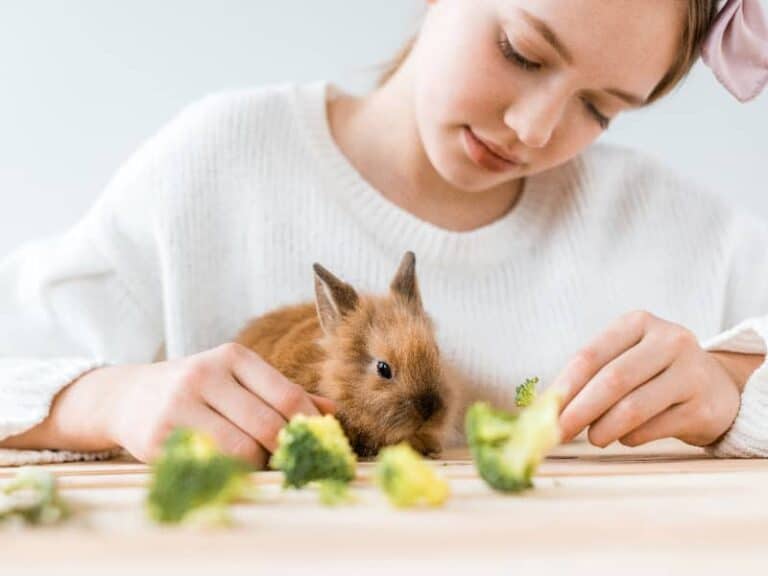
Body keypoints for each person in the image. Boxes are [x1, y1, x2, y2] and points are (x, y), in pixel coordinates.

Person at [1, 0, 767, 468]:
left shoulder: (676, 229)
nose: (534, 129)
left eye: (600, 108)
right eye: (521, 52)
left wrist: (735, 389)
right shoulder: (219, 163)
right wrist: (107, 399)